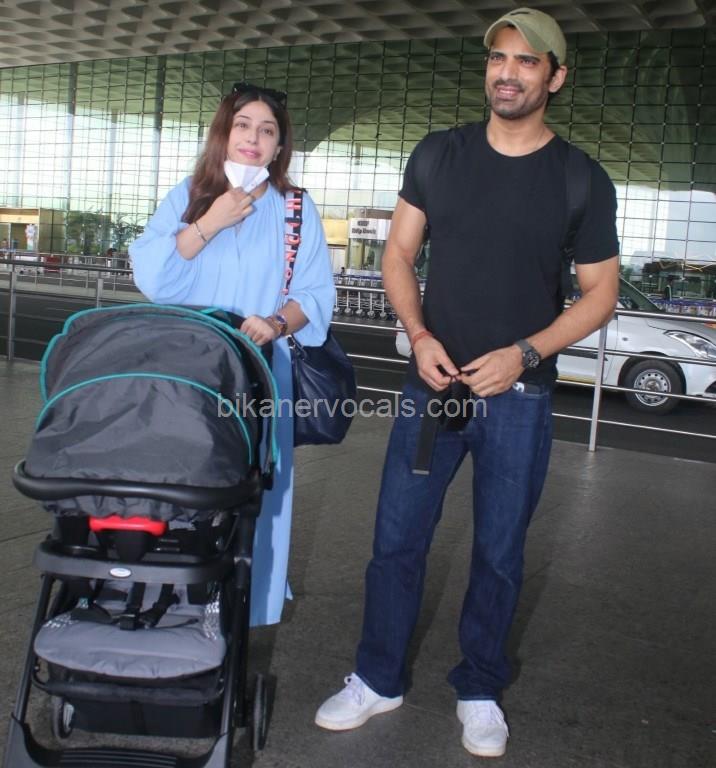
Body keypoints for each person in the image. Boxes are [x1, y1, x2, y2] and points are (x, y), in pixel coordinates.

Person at [315, 7, 619, 758]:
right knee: (395, 542)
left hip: (518, 398)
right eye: (498, 59)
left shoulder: (580, 178)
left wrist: (525, 353)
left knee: (500, 552)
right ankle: (377, 678)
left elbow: (600, 294)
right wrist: (419, 335)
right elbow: (397, 255)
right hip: (432, 389)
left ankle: (480, 688)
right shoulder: (438, 155)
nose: (507, 73)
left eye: (526, 61)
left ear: (555, 78)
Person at [129, 82, 335, 626]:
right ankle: (170, 592)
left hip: (261, 373)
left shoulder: (295, 208)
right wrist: (211, 221)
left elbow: (315, 294)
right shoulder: (189, 195)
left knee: (258, 484)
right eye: (243, 125)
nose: (253, 138)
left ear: (279, 146)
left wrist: (275, 323)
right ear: (223, 132)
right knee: (179, 478)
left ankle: (248, 601)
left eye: (267, 130)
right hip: (188, 373)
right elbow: (154, 278)